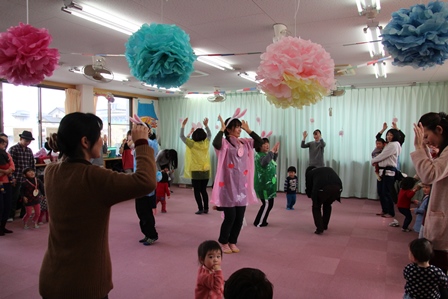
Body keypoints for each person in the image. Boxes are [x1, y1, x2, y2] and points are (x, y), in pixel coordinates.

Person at [39, 112, 156, 299]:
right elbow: (146, 182)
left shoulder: (51, 171)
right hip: (84, 285)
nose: (102, 140)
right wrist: (142, 142)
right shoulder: (93, 177)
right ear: (85, 142)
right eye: (99, 135)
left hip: (51, 278)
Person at [211, 110, 263, 254]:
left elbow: (259, 142)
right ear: (228, 129)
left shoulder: (245, 143)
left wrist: (249, 130)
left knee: (239, 218)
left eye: (240, 127)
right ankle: (223, 242)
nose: (239, 129)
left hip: (241, 188)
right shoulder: (224, 143)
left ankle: (233, 241)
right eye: (236, 127)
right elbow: (215, 143)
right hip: (227, 187)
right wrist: (221, 130)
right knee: (230, 217)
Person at [411, 112, 448, 273]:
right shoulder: (443, 150)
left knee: (436, 272)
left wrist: (419, 148)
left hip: (442, 224)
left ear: (439, 129)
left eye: (426, 136)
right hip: (437, 215)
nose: (426, 142)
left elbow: (429, 174)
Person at [180, 117, 212, 214]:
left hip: (195, 171)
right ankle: (206, 208)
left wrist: (183, 126)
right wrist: (206, 125)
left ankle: (200, 208)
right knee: (204, 190)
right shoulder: (206, 143)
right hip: (206, 170)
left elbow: (182, 136)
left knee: (197, 191)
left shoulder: (192, 144)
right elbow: (210, 134)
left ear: (194, 136)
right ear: (204, 136)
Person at [135, 128, 160, 246]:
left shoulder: (151, 145)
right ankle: (146, 234)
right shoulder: (137, 148)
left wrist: (148, 136)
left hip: (147, 189)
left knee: (146, 214)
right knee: (140, 213)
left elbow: (155, 147)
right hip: (139, 188)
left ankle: (152, 235)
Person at [371, 128, 402, 219]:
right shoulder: (389, 144)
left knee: (386, 192)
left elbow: (383, 155)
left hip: (389, 171)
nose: (389, 136)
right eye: (388, 134)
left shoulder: (394, 145)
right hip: (381, 171)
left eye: (391, 135)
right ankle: (384, 210)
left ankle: (391, 212)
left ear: (395, 136)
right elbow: (378, 138)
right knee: (381, 191)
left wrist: (373, 160)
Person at [305, 166, 343, 234]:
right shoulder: (327, 169)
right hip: (337, 188)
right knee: (327, 205)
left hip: (322, 189)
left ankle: (319, 228)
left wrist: (312, 197)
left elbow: (309, 187)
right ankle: (324, 225)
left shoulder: (310, 173)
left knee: (316, 207)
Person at [8, 130, 35, 220]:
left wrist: (33, 177)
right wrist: (12, 178)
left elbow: (32, 165)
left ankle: (24, 214)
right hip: (17, 178)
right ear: (20, 139)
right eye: (26, 140)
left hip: (27, 179)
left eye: (29, 141)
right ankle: (10, 215)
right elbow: (10, 165)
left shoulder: (29, 150)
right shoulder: (13, 149)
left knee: (27, 197)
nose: (28, 142)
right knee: (14, 197)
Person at [253, 138, 280, 227]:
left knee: (269, 204)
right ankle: (259, 222)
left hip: (268, 184)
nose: (267, 145)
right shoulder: (259, 155)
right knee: (267, 204)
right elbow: (264, 162)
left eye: (268, 143)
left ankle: (262, 220)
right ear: (259, 146)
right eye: (264, 144)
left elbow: (272, 161)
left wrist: (275, 152)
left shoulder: (265, 154)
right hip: (263, 185)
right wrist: (271, 151)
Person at [0, 133, 15, 235]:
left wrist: (5, 171)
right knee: (0, 206)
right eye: (2, 142)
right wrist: (6, 170)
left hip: (7, 182)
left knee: (7, 205)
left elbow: (12, 167)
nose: (4, 144)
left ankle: (3, 227)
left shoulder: (7, 155)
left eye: (5, 142)